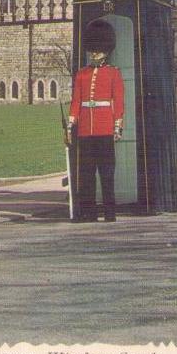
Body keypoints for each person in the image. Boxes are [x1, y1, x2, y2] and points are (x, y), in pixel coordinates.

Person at [67, 19, 124, 222]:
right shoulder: (82, 74)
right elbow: (76, 101)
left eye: (98, 50)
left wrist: (117, 126)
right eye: (93, 49)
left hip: (105, 128)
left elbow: (118, 102)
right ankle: (89, 212)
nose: (94, 53)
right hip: (85, 130)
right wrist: (70, 123)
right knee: (87, 174)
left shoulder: (113, 73)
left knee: (107, 174)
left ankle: (110, 212)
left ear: (106, 50)